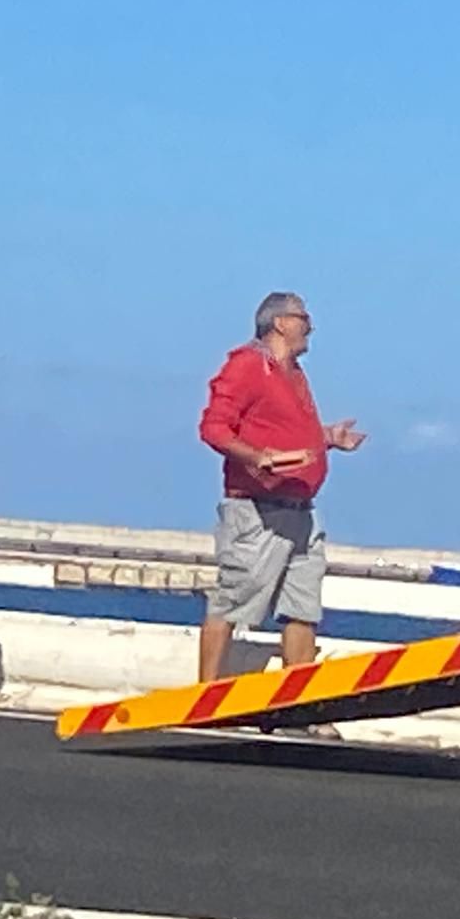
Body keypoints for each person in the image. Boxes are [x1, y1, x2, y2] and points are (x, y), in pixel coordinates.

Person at [197, 291, 366, 689]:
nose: (311, 327)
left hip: (300, 511)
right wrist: (256, 457)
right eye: (304, 318)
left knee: (302, 608)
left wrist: (327, 438)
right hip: (258, 511)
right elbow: (214, 427)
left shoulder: (293, 373)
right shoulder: (247, 366)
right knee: (233, 598)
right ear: (281, 323)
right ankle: (202, 694)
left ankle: (297, 701)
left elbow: (288, 433)